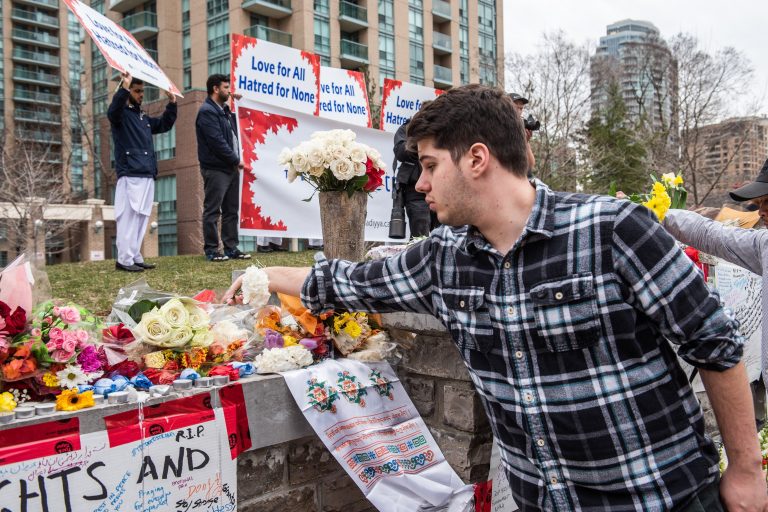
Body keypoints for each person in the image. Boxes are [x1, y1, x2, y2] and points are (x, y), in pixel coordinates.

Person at [224, 85, 766, 511]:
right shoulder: (443, 258)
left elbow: (714, 343)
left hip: (657, 497)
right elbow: (349, 284)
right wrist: (264, 273)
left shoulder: (613, 229)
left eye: (431, 165)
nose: (419, 184)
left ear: (477, 158)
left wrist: (745, 470)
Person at [664, 157, 768, 427]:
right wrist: (657, 213)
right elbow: (712, 235)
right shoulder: (763, 245)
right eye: (758, 205)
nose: (761, 214)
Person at [108, 72, 176, 272]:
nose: (141, 95)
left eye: (142, 91)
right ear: (128, 91)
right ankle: (124, 259)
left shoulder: (142, 116)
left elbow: (164, 124)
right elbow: (112, 112)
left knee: (141, 217)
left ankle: (134, 256)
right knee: (128, 217)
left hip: (146, 172)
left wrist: (171, 102)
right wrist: (123, 88)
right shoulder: (120, 115)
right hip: (131, 172)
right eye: (137, 91)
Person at [196, 74, 251, 262]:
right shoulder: (207, 112)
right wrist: (236, 160)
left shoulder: (224, 111)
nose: (229, 91)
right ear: (215, 89)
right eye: (226, 88)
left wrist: (236, 105)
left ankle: (231, 248)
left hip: (230, 168)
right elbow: (217, 142)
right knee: (213, 210)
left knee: (231, 211)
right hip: (216, 168)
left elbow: (236, 130)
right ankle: (212, 249)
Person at [393, 119, 436, 238]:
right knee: (420, 237)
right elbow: (400, 152)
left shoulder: (441, 127)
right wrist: (421, 140)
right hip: (415, 192)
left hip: (441, 190)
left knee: (444, 234)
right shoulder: (407, 128)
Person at [509, 92, 536, 177]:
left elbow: (531, 165)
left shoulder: (521, 130)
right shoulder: (498, 128)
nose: (519, 111)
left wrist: (525, 142)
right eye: (516, 108)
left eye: (521, 109)